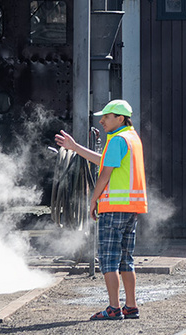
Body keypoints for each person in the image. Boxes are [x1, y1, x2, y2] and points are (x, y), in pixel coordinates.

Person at [55, 99, 147, 320]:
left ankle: (114, 308)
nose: (102, 120)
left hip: (114, 208)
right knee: (126, 258)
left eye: (107, 117)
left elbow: (104, 174)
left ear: (120, 118)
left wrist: (93, 200)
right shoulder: (132, 138)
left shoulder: (117, 140)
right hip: (130, 208)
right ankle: (130, 306)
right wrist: (75, 147)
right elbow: (104, 162)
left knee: (108, 258)